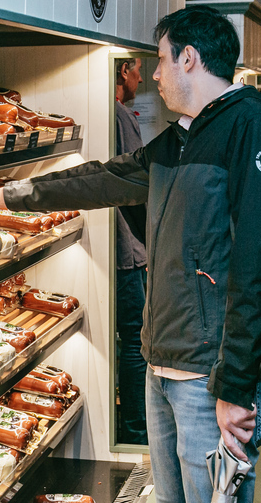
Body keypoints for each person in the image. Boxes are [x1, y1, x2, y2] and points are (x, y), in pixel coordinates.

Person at [0, 6, 261, 503]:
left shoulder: (254, 129)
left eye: (160, 60)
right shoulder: (184, 134)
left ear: (190, 58)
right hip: (165, 362)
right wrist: (6, 196)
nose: (153, 74)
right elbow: (105, 178)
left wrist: (237, 386)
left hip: (211, 375)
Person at [113, 57, 148, 445]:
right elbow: (136, 187)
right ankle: (136, 433)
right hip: (127, 249)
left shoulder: (119, 114)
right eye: (138, 67)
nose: (145, 76)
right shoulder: (120, 116)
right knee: (134, 342)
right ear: (124, 70)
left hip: (126, 247)